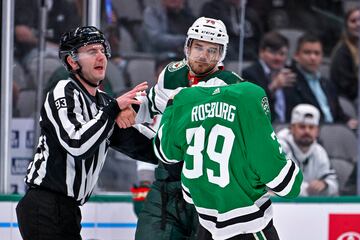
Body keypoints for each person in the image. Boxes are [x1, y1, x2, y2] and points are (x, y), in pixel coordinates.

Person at [15, 26, 157, 240]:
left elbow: (146, 147)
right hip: (43, 206)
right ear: (72, 61)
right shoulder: (63, 90)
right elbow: (77, 143)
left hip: (69, 211)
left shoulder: (105, 104)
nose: (101, 56)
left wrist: (182, 153)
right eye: (91, 51)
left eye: (102, 50)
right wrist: (113, 110)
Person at [132, 17, 242, 239]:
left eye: (212, 50)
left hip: (209, 193)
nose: (203, 55)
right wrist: (130, 108)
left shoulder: (233, 88)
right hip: (167, 186)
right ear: (188, 46)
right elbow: (152, 103)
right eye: (198, 47)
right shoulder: (172, 73)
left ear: (221, 54)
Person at [153, 83, 303, 239]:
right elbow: (287, 186)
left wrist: (171, 106)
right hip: (249, 225)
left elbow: (163, 152)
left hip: (205, 226)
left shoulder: (188, 103)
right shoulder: (250, 102)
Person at [284, 33, 358, 129]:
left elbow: (338, 114)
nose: (313, 58)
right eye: (307, 52)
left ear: (322, 57)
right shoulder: (289, 82)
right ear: (296, 56)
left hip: (331, 132)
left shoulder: (327, 84)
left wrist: (348, 121)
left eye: (317, 53)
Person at [277, 104, 338, 196]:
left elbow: (333, 183)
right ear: (292, 128)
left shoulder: (319, 151)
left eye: (311, 127)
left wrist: (325, 185)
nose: (307, 131)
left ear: (317, 131)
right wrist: (307, 190)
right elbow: (278, 184)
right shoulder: (279, 147)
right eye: (302, 127)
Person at [242, 31, 296, 123]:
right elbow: (253, 105)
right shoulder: (250, 74)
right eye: (273, 53)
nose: (278, 58)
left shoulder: (289, 73)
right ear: (261, 52)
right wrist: (273, 87)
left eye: (282, 54)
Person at [330, 7, 360, 103]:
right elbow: (349, 89)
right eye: (353, 21)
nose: (358, 24)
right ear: (346, 26)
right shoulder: (342, 52)